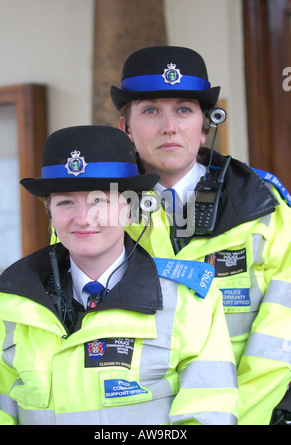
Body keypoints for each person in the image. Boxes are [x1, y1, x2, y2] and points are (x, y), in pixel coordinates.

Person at [0, 125, 238, 425]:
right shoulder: (6, 308)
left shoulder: (192, 304)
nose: (83, 218)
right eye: (66, 201)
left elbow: (208, 416)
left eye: (100, 200)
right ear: (50, 213)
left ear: (131, 210)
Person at [110, 45, 291, 425]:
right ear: (126, 127)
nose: (169, 126)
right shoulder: (95, 213)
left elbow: (280, 345)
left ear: (206, 124)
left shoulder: (265, 209)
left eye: (184, 109)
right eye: (150, 111)